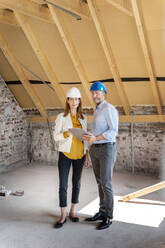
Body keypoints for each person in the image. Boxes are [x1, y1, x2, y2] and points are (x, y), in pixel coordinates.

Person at [83, 81, 118, 230]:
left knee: (106, 183)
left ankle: (108, 216)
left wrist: (96, 138)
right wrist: (91, 137)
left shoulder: (109, 109)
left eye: (98, 92)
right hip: (96, 149)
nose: (95, 95)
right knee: (99, 182)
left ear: (104, 94)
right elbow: (99, 132)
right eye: (93, 93)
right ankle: (102, 212)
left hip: (106, 149)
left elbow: (113, 132)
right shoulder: (97, 110)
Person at [53, 87, 90, 229]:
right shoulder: (61, 117)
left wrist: (87, 156)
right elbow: (55, 137)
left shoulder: (84, 118)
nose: (75, 101)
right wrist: (66, 134)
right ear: (67, 101)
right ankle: (63, 215)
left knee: (77, 183)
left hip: (80, 155)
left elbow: (85, 139)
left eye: (77, 99)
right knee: (63, 185)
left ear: (80, 101)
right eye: (72, 99)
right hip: (65, 155)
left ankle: (73, 211)